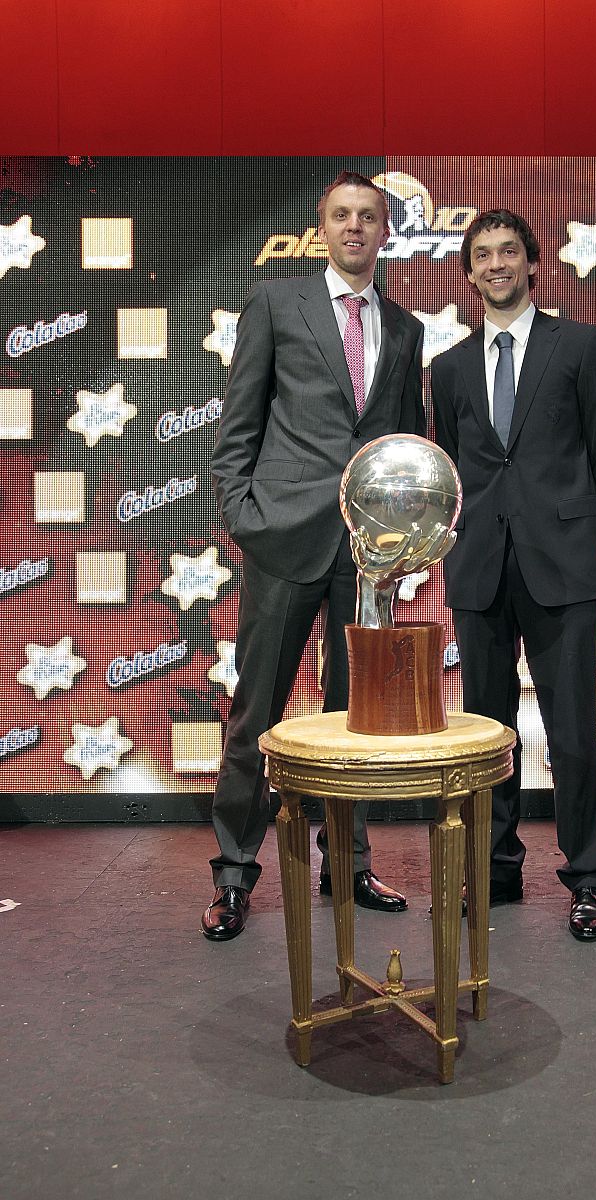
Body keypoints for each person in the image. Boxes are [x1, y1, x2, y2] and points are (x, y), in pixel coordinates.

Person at [202, 171, 425, 940]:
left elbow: (402, 445)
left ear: (384, 232)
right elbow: (236, 432)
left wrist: (401, 542)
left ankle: (349, 865)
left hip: (366, 556)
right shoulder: (275, 304)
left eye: (369, 216)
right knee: (255, 710)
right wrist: (246, 520)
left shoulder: (404, 327)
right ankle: (234, 876)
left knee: (355, 720)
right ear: (321, 228)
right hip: (284, 540)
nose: (356, 227)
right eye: (342, 216)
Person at [430, 209, 596, 940]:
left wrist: (575, 529)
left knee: (573, 733)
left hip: (563, 568)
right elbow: (453, 467)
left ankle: (586, 880)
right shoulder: (448, 368)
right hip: (480, 569)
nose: (495, 264)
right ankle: (494, 871)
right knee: (487, 734)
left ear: (533, 263)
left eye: (507, 251)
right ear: (469, 272)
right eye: (481, 254)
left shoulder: (577, 344)